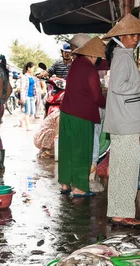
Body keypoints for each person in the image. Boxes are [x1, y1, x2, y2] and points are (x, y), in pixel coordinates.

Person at [102, 14, 140, 226]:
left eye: (137, 35)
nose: (135, 38)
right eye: (131, 35)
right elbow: (119, 87)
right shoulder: (123, 57)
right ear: (121, 37)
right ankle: (122, 213)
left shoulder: (121, 55)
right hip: (126, 122)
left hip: (122, 121)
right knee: (127, 168)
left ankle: (117, 211)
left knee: (119, 168)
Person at [57, 37, 107, 198]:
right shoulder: (89, 68)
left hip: (66, 112)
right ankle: (79, 188)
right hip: (82, 115)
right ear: (95, 55)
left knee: (67, 149)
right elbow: (96, 96)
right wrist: (107, 102)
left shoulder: (76, 64)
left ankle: (65, 184)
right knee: (81, 151)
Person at [19, 62, 39, 131]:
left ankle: (21, 120)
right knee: (27, 112)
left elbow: (34, 87)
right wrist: (22, 98)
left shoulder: (32, 77)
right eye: (32, 68)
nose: (33, 69)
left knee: (32, 112)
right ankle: (28, 127)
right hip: (26, 96)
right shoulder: (24, 77)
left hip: (32, 96)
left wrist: (35, 96)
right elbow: (22, 88)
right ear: (28, 68)